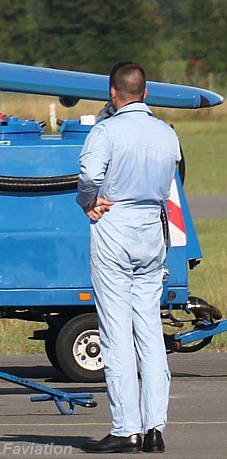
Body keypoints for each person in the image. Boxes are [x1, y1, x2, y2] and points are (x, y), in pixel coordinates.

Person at [77, 62, 181, 455]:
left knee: (116, 331)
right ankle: (155, 426)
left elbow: (89, 174)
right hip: (152, 229)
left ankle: (126, 427)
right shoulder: (166, 134)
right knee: (149, 332)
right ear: (146, 92)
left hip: (115, 223)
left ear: (113, 94)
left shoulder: (107, 130)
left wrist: (87, 201)